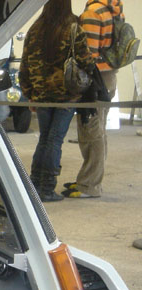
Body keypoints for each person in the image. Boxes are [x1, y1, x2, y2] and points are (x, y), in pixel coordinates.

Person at [19, 0, 94, 202]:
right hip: (66, 94)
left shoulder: (35, 28)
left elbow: (25, 65)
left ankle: (35, 184)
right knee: (54, 140)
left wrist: (29, 92)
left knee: (45, 138)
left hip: (41, 94)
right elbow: (85, 61)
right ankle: (47, 188)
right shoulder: (73, 28)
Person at [62, 0, 123, 199]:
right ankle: (90, 179)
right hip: (109, 77)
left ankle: (89, 185)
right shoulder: (114, 9)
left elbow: (87, 54)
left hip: (94, 80)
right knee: (99, 130)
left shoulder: (93, 13)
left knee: (91, 132)